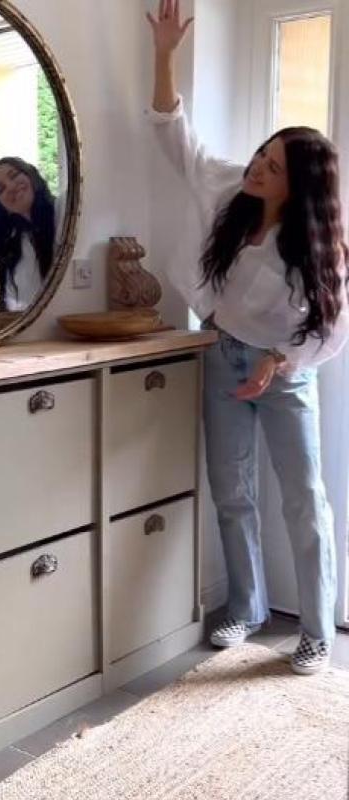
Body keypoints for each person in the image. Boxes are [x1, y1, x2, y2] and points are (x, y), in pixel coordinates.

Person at [146, 0, 349, 674]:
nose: (259, 166)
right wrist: (165, 53)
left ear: (303, 188)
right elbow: (173, 134)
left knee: (303, 500)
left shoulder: (321, 248)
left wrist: (279, 363)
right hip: (223, 354)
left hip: (285, 373)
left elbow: (333, 331)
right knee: (231, 491)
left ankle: (317, 630)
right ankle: (246, 608)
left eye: (275, 165)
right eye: (262, 153)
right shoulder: (232, 188)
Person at [0, 157, 58, 312]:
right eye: (1, 189)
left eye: (14, 175)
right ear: (1, 206)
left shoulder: (64, 211)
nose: (10, 187)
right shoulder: (13, 247)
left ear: (30, 176)